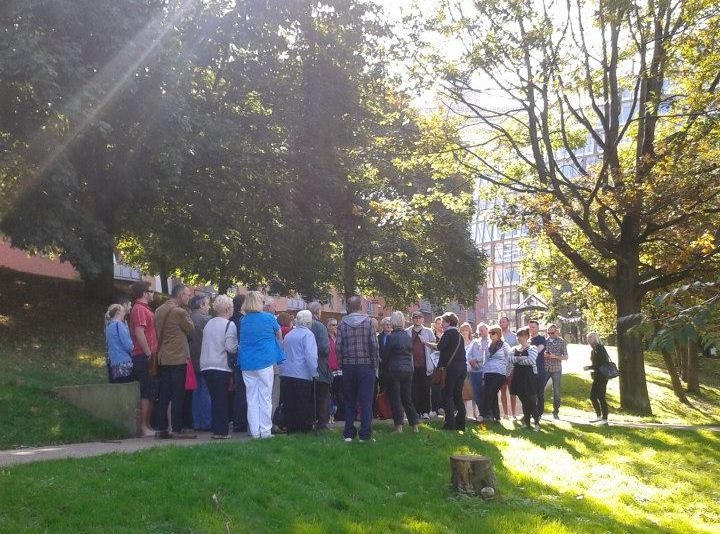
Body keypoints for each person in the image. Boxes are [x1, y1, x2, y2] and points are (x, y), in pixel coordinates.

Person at [239, 291, 285, 439]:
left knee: (251, 398)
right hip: (264, 361)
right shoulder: (269, 318)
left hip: (247, 362)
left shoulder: (243, 320)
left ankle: (254, 431)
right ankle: (265, 431)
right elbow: (279, 335)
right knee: (265, 397)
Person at [154, 283, 196, 439]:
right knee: (178, 394)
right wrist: (187, 313)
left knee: (164, 394)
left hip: (163, 358)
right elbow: (191, 328)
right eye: (187, 294)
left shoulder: (159, 310)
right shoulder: (179, 312)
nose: (188, 297)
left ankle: (161, 428)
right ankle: (177, 429)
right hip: (178, 358)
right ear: (180, 295)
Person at [336, 295, 379, 442]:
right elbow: (374, 345)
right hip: (366, 366)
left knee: (349, 400)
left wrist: (342, 363)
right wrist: (374, 364)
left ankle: (348, 433)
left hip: (348, 366)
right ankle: (365, 434)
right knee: (366, 401)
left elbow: (338, 347)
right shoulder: (368, 323)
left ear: (348, 307)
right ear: (360, 307)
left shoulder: (342, 324)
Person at [200, 295, 238, 439]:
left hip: (206, 364)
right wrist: (238, 347)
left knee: (215, 398)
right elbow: (230, 347)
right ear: (228, 309)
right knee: (221, 398)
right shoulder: (230, 325)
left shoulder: (209, 323)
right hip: (221, 365)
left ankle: (216, 428)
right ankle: (221, 431)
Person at [279, 310, 318, 433]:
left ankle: (291, 429)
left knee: (290, 404)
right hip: (302, 374)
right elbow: (311, 356)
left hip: (286, 373)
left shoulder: (290, 334)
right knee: (303, 404)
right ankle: (303, 430)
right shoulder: (308, 335)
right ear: (309, 322)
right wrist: (314, 373)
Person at [128, 280, 158, 437]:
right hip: (143, 355)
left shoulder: (144, 308)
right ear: (144, 293)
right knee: (147, 391)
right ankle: (144, 427)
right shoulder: (139, 309)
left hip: (147, 355)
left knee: (150, 390)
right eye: (151, 291)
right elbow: (139, 332)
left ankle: (147, 425)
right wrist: (148, 353)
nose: (153, 293)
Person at [381, 311, 419, 433]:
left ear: (393, 322)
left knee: (396, 399)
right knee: (407, 398)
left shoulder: (391, 337)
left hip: (394, 370)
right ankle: (415, 426)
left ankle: (399, 427)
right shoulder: (408, 337)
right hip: (408, 370)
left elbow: (385, 356)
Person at [437, 313, 467, 430]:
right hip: (462, 368)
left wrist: (426, 343)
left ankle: (449, 424)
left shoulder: (448, 333)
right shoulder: (460, 336)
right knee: (458, 395)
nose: (442, 324)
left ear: (449, 322)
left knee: (447, 395)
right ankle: (461, 424)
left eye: (443, 322)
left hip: (451, 369)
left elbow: (439, 347)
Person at [405, 311, 435, 421]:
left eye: (419, 317)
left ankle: (425, 411)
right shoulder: (407, 332)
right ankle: (416, 411)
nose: (417, 319)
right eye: (415, 317)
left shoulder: (428, 331)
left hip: (425, 365)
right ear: (412, 319)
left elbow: (434, 347)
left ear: (423, 319)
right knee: (413, 389)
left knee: (425, 389)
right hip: (412, 365)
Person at [510, 327, 540, 431]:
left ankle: (536, 423)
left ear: (527, 336)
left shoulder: (533, 348)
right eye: (518, 335)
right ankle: (526, 422)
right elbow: (510, 359)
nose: (519, 338)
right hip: (518, 377)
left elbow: (531, 361)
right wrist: (520, 358)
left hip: (529, 377)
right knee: (523, 401)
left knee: (531, 400)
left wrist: (517, 360)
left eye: (522, 335)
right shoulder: (514, 349)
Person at [189, 294, 212, 431]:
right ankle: (207, 422)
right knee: (206, 391)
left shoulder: (188, 318)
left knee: (196, 392)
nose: (209, 307)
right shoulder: (207, 320)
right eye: (207, 304)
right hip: (205, 358)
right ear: (201, 305)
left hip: (192, 358)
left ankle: (197, 422)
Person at [308, 302, 331, 430]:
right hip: (320, 367)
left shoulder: (301, 326)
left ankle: (310, 421)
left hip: (304, 369)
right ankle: (322, 423)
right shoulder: (319, 326)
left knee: (310, 397)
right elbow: (324, 349)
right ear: (317, 312)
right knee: (323, 396)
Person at [482, 325, 512, 422]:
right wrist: (483, 374)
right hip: (488, 372)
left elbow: (510, 358)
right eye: (490, 333)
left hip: (499, 373)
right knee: (492, 393)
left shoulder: (504, 345)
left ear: (499, 334)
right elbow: (485, 360)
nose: (491, 335)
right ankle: (497, 417)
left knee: (490, 392)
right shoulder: (488, 345)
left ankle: (483, 414)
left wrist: (507, 371)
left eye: (493, 333)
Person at [230, 294, 248, 433]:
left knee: (239, 392)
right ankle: (240, 422)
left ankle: (238, 422)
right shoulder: (242, 321)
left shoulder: (232, 319)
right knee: (243, 392)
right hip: (242, 359)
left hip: (235, 360)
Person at [584, 332, 610, 424]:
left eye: (590, 337)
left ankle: (605, 418)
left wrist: (589, 367)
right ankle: (599, 416)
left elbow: (601, 363)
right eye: (588, 338)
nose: (588, 339)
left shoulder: (599, 348)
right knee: (593, 396)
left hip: (602, 376)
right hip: (597, 376)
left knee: (601, 397)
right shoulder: (594, 349)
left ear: (595, 338)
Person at [104, 303, 134, 383]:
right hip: (124, 362)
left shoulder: (108, 326)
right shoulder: (119, 325)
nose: (124, 313)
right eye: (123, 311)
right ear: (118, 312)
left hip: (114, 363)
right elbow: (128, 345)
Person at [544, 324, 569, 419]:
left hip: (556, 369)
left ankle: (555, 412)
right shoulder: (544, 341)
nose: (550, 334)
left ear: (557, 332)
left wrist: (555, 356)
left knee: (556, 391)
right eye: (548, 333)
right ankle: (538, 410)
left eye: (552, 333)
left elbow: (566, 357)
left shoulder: (561, 342)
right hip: (546, 368)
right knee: (540, 388)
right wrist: (544, 355)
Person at [460, 322, 483, 420]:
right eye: (463, 330)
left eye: (466, 330)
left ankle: (475, 412)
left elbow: (477, 356)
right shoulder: (459, 343)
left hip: (472, 370)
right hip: (461, 370)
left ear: (469, 331)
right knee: (463, 392)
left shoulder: (474, 343)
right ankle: (464, 413)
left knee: (473, 392)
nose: (464, 332)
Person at [499, 315, 518, 419]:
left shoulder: (514, 336)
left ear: (508, 323)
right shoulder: (497, 336)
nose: (502, 324)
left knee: (512, 391)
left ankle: (514, 413)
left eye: (504, 322)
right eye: (500, 322)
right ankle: (506, 413)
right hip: (501, 368)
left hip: (511, 367)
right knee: (503, 391)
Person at [528, 320, 547, 419]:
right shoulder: (527, 340)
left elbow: (538, 350)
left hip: (539, 370)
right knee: (530, 393)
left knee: (539, 393)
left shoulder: (541, 339)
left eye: (533, 327)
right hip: (529, 371)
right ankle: (531, 413)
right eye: (530, 327)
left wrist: (527, 352)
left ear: (538, 328)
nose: (531, 329)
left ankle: (539, 414)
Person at [327, 318, 343, 422]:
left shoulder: (339, 338)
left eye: (336, 325)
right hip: (330, 369)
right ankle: (330, 414)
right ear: (327, 326)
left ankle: (340, 414)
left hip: (340, 369)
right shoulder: (326, 338)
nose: (334, 327)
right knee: (331, 392)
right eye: (332, 325)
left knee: (340, 392)